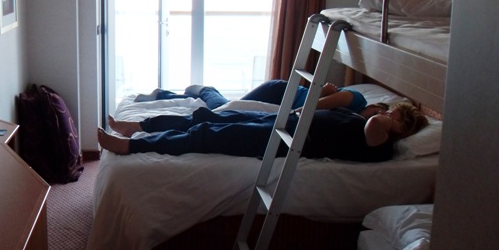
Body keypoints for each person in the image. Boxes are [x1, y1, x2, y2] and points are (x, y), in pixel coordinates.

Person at [97, 101, 428, 163]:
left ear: (402, 130)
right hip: (286, 123)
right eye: (392, 110)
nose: (389, 115)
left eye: (398, 118)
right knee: (206, 116)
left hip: (291, 141)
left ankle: (132, 148)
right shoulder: (360, 119)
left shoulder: (383, 144)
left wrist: (388, 119)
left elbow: (375, 126)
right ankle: (136, 127)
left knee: (209, 134)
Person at [134, 80, 368, 113]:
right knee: (227, 108)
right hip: (280, 94)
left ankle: (164, 94)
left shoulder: (353, 118)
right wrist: (324, 91)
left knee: (227, 108)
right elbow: (309, 109)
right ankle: (204, 89)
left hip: (282, 99)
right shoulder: (356, 100)